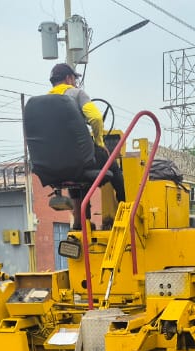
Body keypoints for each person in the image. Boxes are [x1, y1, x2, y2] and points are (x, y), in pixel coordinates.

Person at [48, 62, 125, 227]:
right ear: (69, 79)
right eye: (74, 79)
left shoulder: (43, 102)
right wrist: (99, 142)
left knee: (75, 174)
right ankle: (125, 213)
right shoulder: (77, 94)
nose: (75, 83)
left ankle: (80, 222)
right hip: (79, 159)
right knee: (113, 167)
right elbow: (96, 118)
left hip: (55, 164)